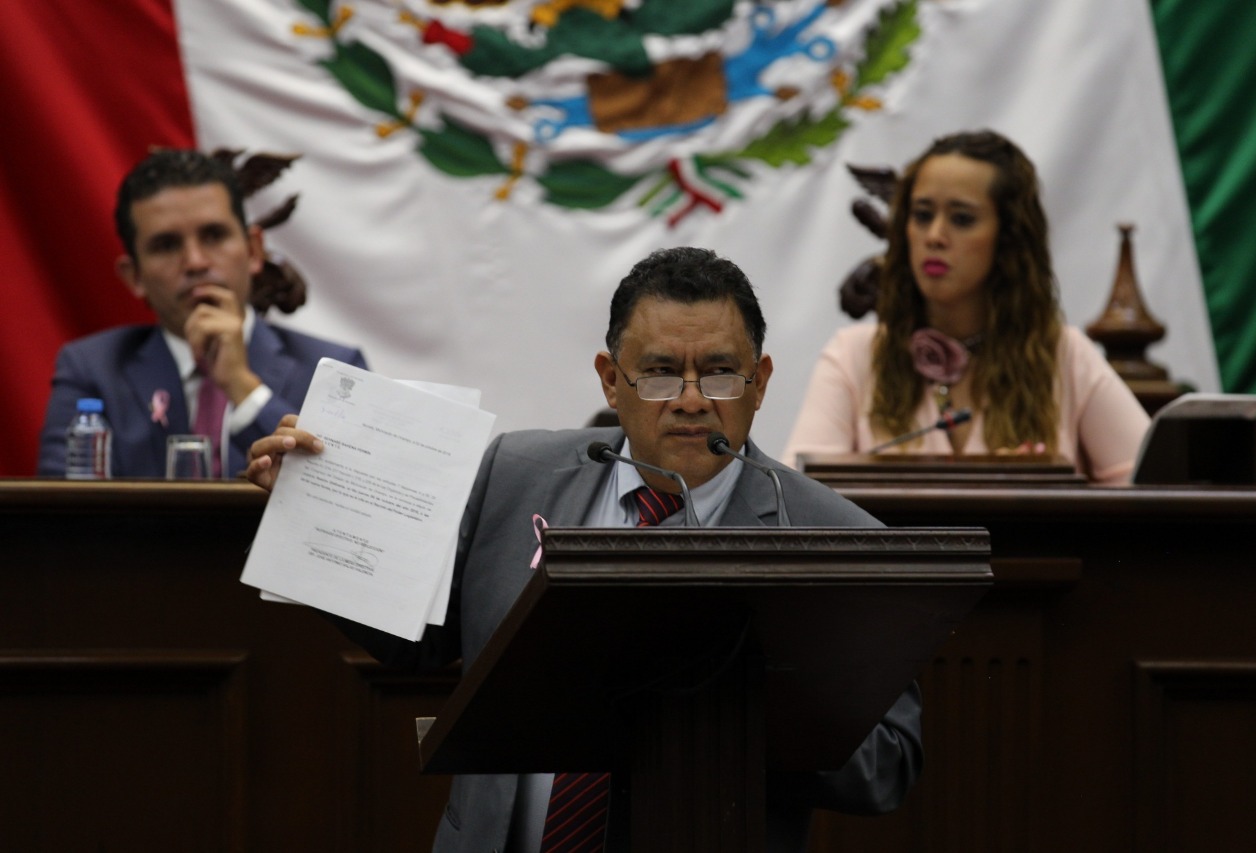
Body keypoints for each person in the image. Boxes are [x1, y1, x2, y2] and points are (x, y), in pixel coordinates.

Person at [247, 246, 923, 852]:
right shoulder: (516, 472)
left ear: (761, 381)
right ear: (610, 379)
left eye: (720, 373)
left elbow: (888, 766)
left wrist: (735, 690)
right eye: (660, 374)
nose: (691, 401)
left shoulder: (831, 534)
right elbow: (419, 641)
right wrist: (311, 508)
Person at [782, 130, 1150, 484]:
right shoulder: (853, 357)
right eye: (922, 215)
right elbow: (794, 501)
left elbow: (1151, 491)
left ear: (1008, 237)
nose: (934, 236)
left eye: (961, 219)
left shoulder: (1064, 356)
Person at [36, 149, 367, 478]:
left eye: (214, 236)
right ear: (134, 276)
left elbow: (354, 496)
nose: (195, 262)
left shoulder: (336, 370)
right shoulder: (93, 370)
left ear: (254, 251)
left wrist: (243, 388)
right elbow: (60, 507)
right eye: (166, 245)